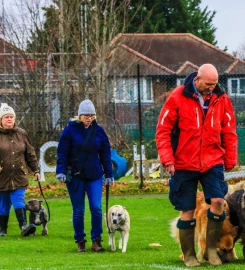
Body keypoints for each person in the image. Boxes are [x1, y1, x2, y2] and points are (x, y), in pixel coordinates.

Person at [156, 64, 237, 267]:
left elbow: (229, 130)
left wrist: (230, 159)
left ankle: (210, 250)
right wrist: (168, 160)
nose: (211, 88)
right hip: (184, 162)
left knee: (219, 202)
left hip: (212, 160)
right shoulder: (177, 97)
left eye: (214, 84)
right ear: (197, 79)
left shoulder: (222, 99)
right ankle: (190, 255)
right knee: (188, 209)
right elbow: (163, 131)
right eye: (208, 84)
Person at [56, 99, 114, 253]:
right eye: (86, 115)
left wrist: (109, 173)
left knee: (96, 208)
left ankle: (96, 240)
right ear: (79, 115)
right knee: (79, 210)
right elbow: (62, 152)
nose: (89, 118)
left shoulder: (99, 131)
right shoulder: (70, 130)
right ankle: (80, 240)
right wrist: (60, 171)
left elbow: (105, 154)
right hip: (75, 176)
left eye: (92, 115)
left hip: (94, 175)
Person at [0, 103, 41, 237]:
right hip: (2, 176)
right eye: (6, 117)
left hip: (19, 175)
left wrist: (36, 170)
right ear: (1, 120)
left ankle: (24, 227)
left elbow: (30, 153)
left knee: (18, 200)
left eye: (11, 117)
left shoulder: (21, 134)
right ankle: (2, 230)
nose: (9, 119)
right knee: (4, 205)